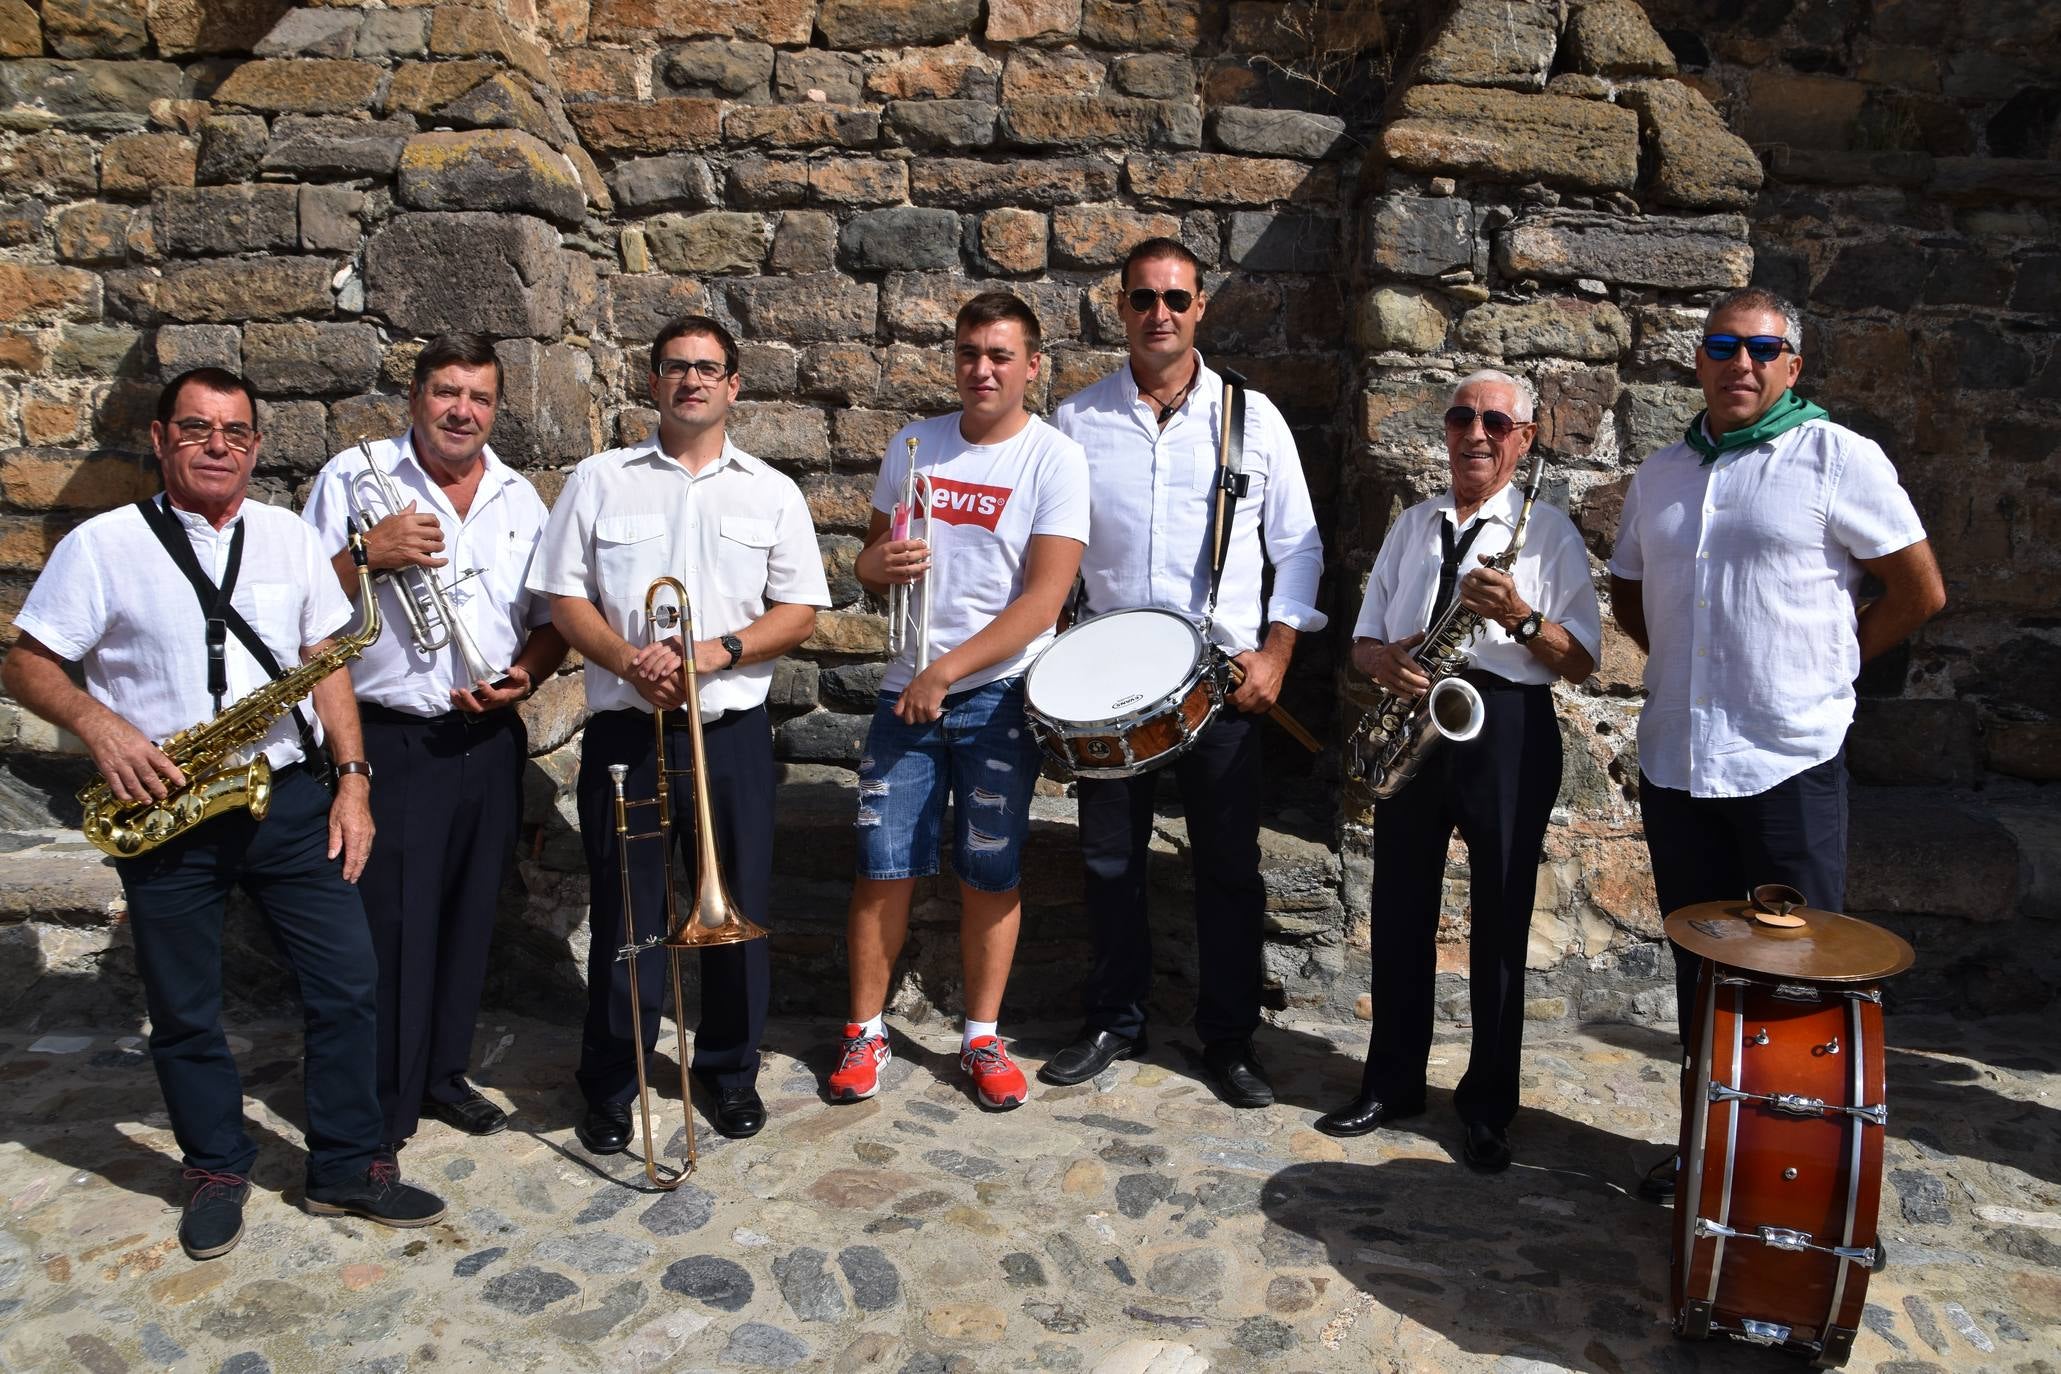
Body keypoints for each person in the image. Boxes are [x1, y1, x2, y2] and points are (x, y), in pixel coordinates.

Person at [1, 368, 445, 1261]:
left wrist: (352, 778)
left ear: (254, 446)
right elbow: (26, 662)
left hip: (283, 794)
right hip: (165, 803)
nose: (218, 445)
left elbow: (324, 657)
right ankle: (214, 1167)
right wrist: (100, 726)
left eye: (236, 433)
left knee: (348, 983)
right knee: (184, 1008)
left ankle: (348, 1166)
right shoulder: (103, 545)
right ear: (161, 439)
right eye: (198, 429)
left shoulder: (285, 537)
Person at [1609, 287, 1945, 1200]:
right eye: (1721, 347)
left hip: (1786, 760)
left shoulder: (1836, 456)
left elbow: (1917, 591)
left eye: (1761, 349)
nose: (1739, 364)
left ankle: (1790, 1175)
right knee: (1701, 971)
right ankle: (1707, 1151)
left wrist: (1832, 665)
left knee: (1799, 980)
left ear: (1792, 365)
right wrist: (1686, 663)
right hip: (1679, 758)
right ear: (1698, 361)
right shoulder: (1662, 473)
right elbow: (1629, 590)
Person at [531, 316, 828, 1152]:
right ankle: (611, 1081)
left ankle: (729, 1074)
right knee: (628, 920)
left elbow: (799, 611)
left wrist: (715, 649)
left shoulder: (771, 490)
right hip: (627, 732)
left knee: (736, 915)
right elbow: (565, 599)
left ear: (734, 385)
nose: (692, 381)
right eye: (675, 367)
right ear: (652, 382)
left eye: (708, 368)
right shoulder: (598, 479)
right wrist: (631, 660)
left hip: (727, 734)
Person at [1041, 237, 1326, 1107]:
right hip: (1108, 683)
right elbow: (1048, 552)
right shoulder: (1076, 421)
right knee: (1109, 860)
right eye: (1141, 299)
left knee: (1228, 869)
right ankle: (1113, 1018)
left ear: (1200, 307)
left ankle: (1229, 1036)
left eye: (1175, 298)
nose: (1158, 313)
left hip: (1222, 682)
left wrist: (1276, 654)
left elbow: (1300, 546)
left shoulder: (1252, 417)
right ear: (1118, 308)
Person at [1318, 370, 1600, 1171]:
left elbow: (1580, 659)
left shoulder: (1546, 532)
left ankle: (1487, 1107)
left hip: (1505, 725)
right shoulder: (1412, 525)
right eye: (1460, 418)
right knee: (1399, 906)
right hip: (1418, 716)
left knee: (1502, 918)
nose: (1475, 434)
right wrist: (1387, 663)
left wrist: (1520, 614)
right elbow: (1364, 639)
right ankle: (1391, 1082)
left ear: (1524, 437)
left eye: (1495, 422)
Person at [302, 334, 567, 1154]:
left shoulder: (520, 497)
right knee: (389, 926)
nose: (463, 412)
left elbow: (551, 624)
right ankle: (381, 1101)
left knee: (466, 914)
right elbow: (290, 601)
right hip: (389, 734)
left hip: (485, 735)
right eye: (448, 392)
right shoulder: (352, 479)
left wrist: (525, 675)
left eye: (480, 398)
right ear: (415, 395)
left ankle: (443, 1073)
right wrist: (363, 555)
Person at [826, 292, 1089, 1111]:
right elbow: (868, 562)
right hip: (909, 690)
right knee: (882, 867)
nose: (982, 369)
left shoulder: (1053, 459)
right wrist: (876, 569)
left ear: (1031, 366)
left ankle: (980, 1039)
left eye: (1000, 355)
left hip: (998, 695)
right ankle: (863, 1033)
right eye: (970, 353)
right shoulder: (914, 443)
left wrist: (946, 674)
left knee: (989, 871)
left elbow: (1042, 602)